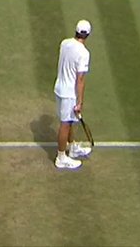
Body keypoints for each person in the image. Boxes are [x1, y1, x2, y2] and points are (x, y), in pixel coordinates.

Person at [54, 19, 92, 170]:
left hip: (59, 87)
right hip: (69, 93)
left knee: (69, 122)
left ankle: (73, 147)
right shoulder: (84, 53)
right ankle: (61, 157)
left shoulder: (65, 43)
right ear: (88, 35)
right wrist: (80, 101)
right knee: (65, 124)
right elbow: (80, 79)